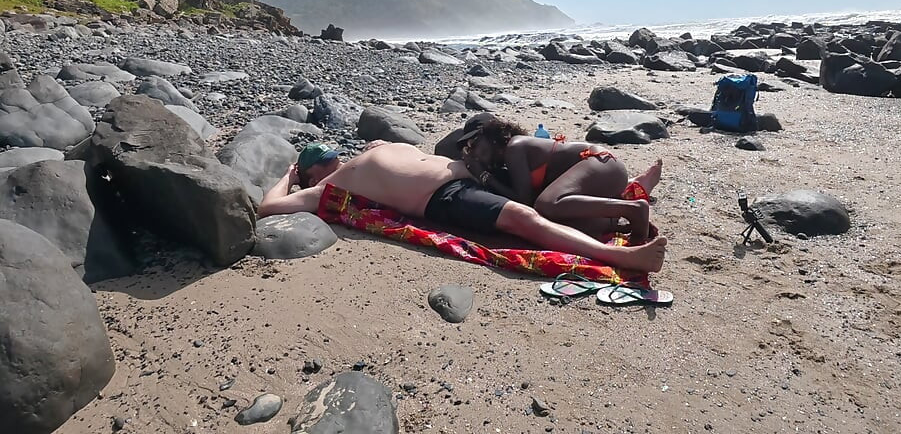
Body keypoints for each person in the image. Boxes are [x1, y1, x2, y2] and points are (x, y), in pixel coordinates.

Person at [258, 141, 667, 272]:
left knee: (545, 190)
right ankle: (622, 256)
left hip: (469, 178)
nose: (332, 160)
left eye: (330, 155)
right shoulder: (326, 187)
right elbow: (267, 208)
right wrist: (289, 175)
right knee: (526, 217)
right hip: (443, 197)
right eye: (322, 161)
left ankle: (627, 195)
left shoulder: (372, 149)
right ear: (313, 174)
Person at [457, 117, 663, 243]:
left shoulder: (515, 147)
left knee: (547, 204)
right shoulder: (508, 162)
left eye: (474, 143)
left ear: (491, 136)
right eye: (468, 149)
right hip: (601, 178)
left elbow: (523, 201)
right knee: (561, 225)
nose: (473, 152)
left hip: (600, 163)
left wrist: (483, 175)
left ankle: (634, 209)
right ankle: (617, 219)